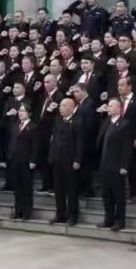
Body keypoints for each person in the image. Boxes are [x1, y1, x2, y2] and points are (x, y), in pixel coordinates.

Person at [48, 97, 83, 226]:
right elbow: (54, 141)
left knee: (71, 189)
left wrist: (77, 159)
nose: (60, 108)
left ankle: (73, 215)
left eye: (63, 106)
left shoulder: (77, 122)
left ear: (71, 107)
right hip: (57, 160)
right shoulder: (58, 121)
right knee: (59, 189)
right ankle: (60, 213)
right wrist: (51, 157)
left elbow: (80, 143)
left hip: (70, 161)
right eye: (60, 106)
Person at [98, 98, 132, 231]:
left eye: (111, 106)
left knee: (118, 195)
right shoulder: (106, 122)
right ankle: (108, 218)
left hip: (117, 165)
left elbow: (126, 147)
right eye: (108, 106)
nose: (109, 108)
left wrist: (124, 165)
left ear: (119, 108)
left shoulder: (124, 124)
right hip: (105, 163)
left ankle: (120, 221)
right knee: (106, 194)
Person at [7, 104, 37, 221]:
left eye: (23, 111)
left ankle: (27, 212)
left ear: (29, 113)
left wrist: (33, 160)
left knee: (26, 187)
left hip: (26, 160)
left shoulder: (33, 126)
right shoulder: (14, 126)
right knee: (17, 187)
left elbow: (36, 145)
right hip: (14, 159)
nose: (20, 113)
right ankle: (18, 210)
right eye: (20, 111)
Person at [118, 78, 136, 201]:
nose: (119, 88)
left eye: (122, 85)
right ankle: (120, 191)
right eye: (118, 85)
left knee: (133, 167)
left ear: (129, 87)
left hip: (132, 138)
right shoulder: (116, 101)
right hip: (118, 138)